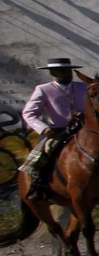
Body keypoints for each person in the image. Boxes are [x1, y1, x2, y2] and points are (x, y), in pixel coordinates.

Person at [19, 56, 88, 194]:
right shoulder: (43, 89)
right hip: (59, 131)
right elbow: (29, 113)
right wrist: (43, 129)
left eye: (69, 71)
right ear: (53, 73)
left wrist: (84, 115)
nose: (67, 74)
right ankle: (39, 184)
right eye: (61, 71)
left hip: (85, 129)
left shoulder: (83, 87)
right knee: (42, 153)